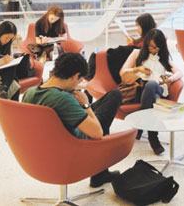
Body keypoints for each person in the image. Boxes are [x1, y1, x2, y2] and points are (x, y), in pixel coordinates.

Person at [22, 52, 125, 188]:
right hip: (75, 143)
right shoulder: (63, 99)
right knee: (115, 95)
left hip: (43, 150)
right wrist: (86, 105)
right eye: (79, 80)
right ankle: (99, 174)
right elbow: (97, 133)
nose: (78, 84)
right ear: (76, 76)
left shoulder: (30, 93)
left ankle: (100, 174)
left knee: (109, 98)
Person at [120, 29, 183, 155]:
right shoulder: (136, 54)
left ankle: (141, 125)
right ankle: (153, 137)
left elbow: (180, 73)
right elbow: (123, 73)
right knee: (152, 93)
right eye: (150, 47)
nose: (153, 50)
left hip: (159, 89)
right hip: (140, 90)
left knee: (152, 85)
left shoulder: (164, 58)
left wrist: (169, 79)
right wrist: (139, 70)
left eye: (156, 48)